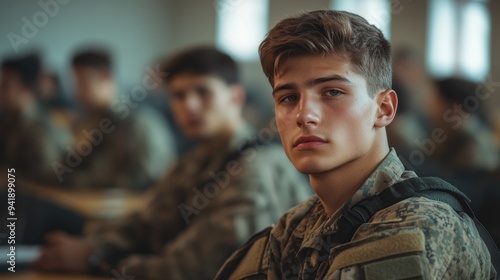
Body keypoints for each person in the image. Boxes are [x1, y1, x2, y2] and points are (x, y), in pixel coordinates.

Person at [216, 10, 495, 279]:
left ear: (384, 108)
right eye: (288, 97)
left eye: (333, 92)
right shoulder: (297, 225)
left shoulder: (420, 226)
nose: (304, 115)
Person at [34, 46, 311, 279]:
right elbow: (149, 223)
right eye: (179, 95)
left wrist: (97, 262)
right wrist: (93, 245)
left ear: (235, 97)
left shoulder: (255, 169)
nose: (189, 105)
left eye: (203, 92)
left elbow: (193, 270)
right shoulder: (195, 159)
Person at [54, 48, 176, 190]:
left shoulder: (140, 122)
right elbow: (68, 171)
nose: (76, 91)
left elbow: (150, 182)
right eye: (75, 83)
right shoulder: (89, 121)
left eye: (83, 82)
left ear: (105, 77)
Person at [0, 53, 71, 183]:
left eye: (6, 85)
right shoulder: (7, 122)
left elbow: (45, 180)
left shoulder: (42, 130)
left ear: (26, 89)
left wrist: (8, 179)